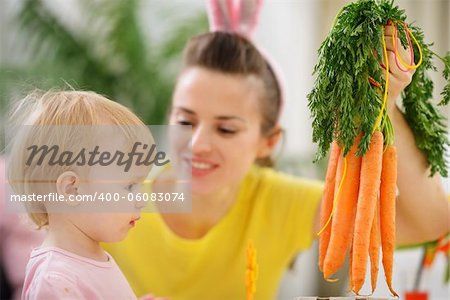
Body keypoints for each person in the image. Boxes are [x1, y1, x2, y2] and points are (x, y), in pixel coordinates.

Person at [104, 31, 449, 299]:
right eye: (185, 120)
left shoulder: (279, 202)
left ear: (267, 141)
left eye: (226, 128)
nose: (197, 145)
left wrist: (384, 102)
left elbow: (429, 221)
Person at [6, 90, 158, 300]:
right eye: (130, 186)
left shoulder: (89, 257)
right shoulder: (56, 281)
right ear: (72, 190)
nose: (141, 200)